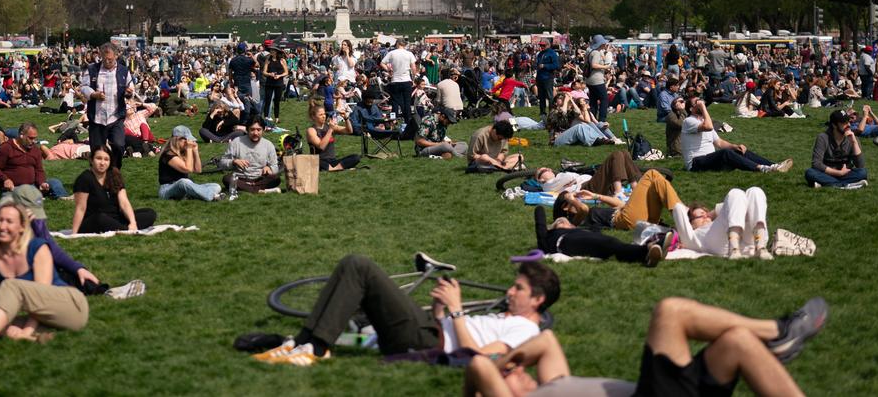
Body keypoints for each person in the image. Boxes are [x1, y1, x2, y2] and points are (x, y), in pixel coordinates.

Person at [462, 296, 828, 397]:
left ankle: (778, 338)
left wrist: (509, 357)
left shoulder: (553, 384)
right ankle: (779, 331)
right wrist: (496, 366)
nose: (517, 369)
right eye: (509, 374)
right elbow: (477, 369)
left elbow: (545, 340)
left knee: (736, 341)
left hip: (669, 392)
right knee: (671, 312)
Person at [254, 255, 559, 365]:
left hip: (426, 340)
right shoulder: (506, 315)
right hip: (430, 327)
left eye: (518, 289)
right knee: (353, 268)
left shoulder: (527, 330)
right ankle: (305, 342)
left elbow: (479, 357)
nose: (509, 291)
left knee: (360, 266)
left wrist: (455, 311)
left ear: (537, 301)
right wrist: (441, 309)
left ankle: (315, 348)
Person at [0, 204, 89, 346]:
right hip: (44, 317)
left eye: (9, 221)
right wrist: (8, 326)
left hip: (71, 306)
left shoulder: (37, 247)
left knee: (10, 286)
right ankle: (34, 337)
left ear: (22, 227)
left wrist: (25, 331)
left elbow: (40, 296)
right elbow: (0, 296)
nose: (2, 226)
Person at [0, 186, 105, 297]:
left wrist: (78, 268)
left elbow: (51, 247)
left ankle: (96, 289)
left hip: (24, 268)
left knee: (70, 274)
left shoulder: (33, 219)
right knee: (54, 277)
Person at [534, 205, 665, 267]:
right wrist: (540, 208)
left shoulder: (580, 230)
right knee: (610, 246)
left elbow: (596, 230)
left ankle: (647, 252)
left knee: (612, 245)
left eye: (566, 222)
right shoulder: (549, 237)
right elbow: (539, 219)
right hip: (566, 242)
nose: (565, 223)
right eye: (560, 223)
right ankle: (648, 250)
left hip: (585, 239)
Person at [555, 169, 681, 231]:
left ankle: (682, 217)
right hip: (625, 220)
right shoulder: (573, 220)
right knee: (651, 174)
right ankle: (683, 215)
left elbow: (621, 204)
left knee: (656, 182)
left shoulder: (588, 213)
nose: (575, 197)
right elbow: (583, 209)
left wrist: (596, 196)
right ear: (565, 206)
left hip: (631, 217)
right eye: (571, 197)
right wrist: (568, 197)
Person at [682, 103, 792, 174]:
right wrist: (702, 106)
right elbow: (709, 127)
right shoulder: (689, 121)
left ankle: (774, 166)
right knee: (725, 153)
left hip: (709, 160)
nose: (701, 103)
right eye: (697, 103)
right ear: (691, 108)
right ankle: (762, 169)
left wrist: (734, 146)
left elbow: (719, 142)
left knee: (739, 150)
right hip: (695, 163)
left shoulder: (703, 121)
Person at [70, 145, 157, 234]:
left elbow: (124, 203)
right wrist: (74, 232)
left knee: (150, 213)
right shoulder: (85, 178)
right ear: (91, 160)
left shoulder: (114, 175)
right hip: (94, 220)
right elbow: (80, 208)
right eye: (99, 158)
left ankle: (124, 228)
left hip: (116, 218)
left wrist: (133, 222)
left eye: (106, 159)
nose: (102, 163)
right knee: (100, 218)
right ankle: (125, 230)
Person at [674, 188, 772, 259]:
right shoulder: (692, 235)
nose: (704, 217)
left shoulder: (716, 222)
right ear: (690, 223)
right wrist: (688, 211)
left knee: (754, 191)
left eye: (706, 215)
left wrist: (712, 214)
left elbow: (731, 206)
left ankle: (761, 247)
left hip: (750, 241)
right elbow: (678, 208)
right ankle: (734, 249)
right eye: (699, 216)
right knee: (735, 193)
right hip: (720, 244)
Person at [84, 43, 136, 170]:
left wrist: (129, 93)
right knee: (97, 151)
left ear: (116, 56)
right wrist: (94, 94)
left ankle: (115, 170)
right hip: (97, 118)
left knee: (119, 145)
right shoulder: (92, 69)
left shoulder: (124, 71)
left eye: (110, 59)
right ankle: (97, 177)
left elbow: (131, 89)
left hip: (116, 116)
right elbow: (83, 87)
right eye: (104, 59)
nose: (107, 62)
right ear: (101, 56)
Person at [0, 123, 68, 199]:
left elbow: (39, 170)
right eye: (30, 138)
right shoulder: (7, 148)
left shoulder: (35, 150)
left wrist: (42, 183)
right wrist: (5, 180)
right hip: (13, 187)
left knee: (55, 182)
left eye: (35, 138)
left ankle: (63, 198)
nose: (34, 141)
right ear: (21, 135)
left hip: (32, 185)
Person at [805, 110, 868, 189]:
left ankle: (829, 184)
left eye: (848, 121)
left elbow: (860, 165)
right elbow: (816, 163)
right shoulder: (823, 137)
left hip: (845, 173)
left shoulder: (852, 138)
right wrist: (839, 173)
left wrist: (854, 142)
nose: (848, 125)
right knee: (810, 172)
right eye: (844, 123)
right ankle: (845, 185)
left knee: (863, 172)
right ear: (834, 125)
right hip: (827, 173)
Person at [158, 126, 222, 201]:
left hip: (185, 186)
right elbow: (187, 169)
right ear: (177, 140)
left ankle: (195, 194)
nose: (187, 143)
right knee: (184, 182)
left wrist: (195, 151)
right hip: (167, 189)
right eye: (186, 140)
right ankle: (211, 196)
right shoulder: (168, 154)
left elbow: (198, 170)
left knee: (216, 186)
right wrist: (188, 148)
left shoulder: (183, 152)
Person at [222, 119, 281, 197]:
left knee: (276, 178)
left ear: (263, 130)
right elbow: (222, 162)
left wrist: (269, 168)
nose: (255, 133)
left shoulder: (268, 145)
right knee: (227, 179)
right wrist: (234, 161)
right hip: (241, 178)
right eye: (252, 130)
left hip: (260, 179)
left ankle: (247, 188)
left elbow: (275, 167)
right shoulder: (236, 142)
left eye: (258, 130)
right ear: (247, 130)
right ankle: (260, 191)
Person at [305, 101, 359, 172]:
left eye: (324, 114)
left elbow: (349, 131)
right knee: (315, 162)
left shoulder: (328, 126)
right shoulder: (311, 130)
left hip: (332, 161)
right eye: (321, 115)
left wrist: (346, 118)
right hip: (319, 161)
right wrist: (330, 129)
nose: (324, 116)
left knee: (356, 157)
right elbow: (321, 146)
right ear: (313, 117)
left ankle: (334, 168)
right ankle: (338, 168)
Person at [381, 38, 419, 133]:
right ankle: (408, 122)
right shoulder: (409, 54)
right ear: (404, 44)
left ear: (397, 44)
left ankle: (394, 121)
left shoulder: (392, 53)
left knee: (394, 102)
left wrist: (389, 71)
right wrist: (414, 79)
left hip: (395, 80)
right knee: (407, 103)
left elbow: (382, 63)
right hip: (406, 80)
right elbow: (413, 68)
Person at [585, 36, 612, 123]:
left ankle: (592, 119)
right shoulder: (596, 53)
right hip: (596, 80)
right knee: (604, 99)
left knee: (593, 100)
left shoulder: (591, 51)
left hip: (590, 80)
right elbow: (594, 65)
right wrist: (606, 67)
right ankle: (602, 119)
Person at [535, 42, 560, 119]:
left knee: (550, 96)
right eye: (540, 45)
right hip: (540, 77)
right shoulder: (540, 54)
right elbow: (538, 65)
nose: (541, 47)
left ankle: (551, 112)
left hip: (548, 77)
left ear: (548, 45)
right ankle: (542, 113)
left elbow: (556, 65)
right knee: (541, 96)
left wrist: (545, 66)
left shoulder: (552, 53)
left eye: (543, 45)